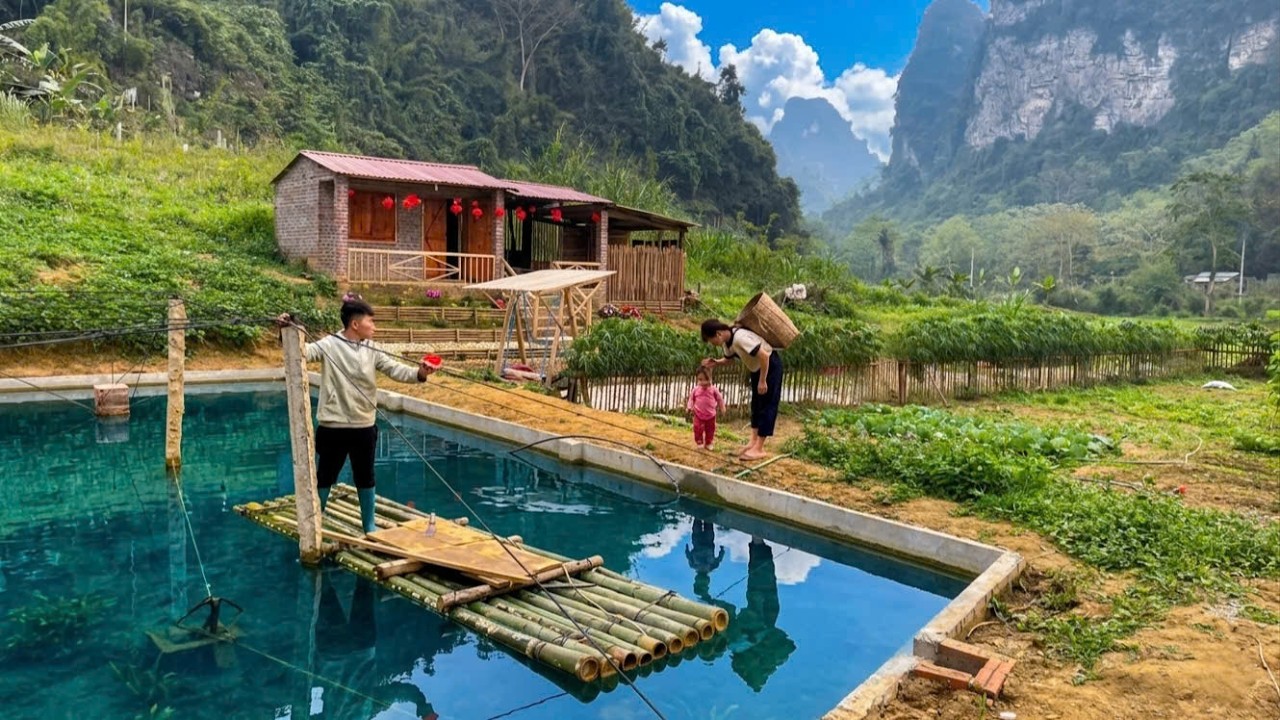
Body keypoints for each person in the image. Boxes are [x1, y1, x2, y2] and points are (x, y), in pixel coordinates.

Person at [277, 294, 437, 533]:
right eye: (370, 321)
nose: (375, 326)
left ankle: (369, 526)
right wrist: (286, 331)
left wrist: (420, 373)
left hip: (364, 425)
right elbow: (303, 352)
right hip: (333, 425)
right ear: (355, 324)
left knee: (366, 476)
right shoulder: (329, 344)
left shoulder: (373, 349)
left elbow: (396, 369)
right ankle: (315, 521)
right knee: (325, 476)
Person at [700, 319, 782, 460]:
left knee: (767, 405)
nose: (713, 344)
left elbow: (764, 355)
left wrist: (763, 380)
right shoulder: (728, 342)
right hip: (757, 369)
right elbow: (729, 358)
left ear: (718, 334)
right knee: (756, 405)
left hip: (770, 367)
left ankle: (759, 448)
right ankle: (752, 442)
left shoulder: (740, 338)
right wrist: (716, 362)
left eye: (712, 340)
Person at [685, 366, 726, 450]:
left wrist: (722, 408)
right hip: (698, 414)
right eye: (700, 380)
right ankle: (699, 442)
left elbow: (720, 399)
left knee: (710, 430)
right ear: (697, 379)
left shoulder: (713, 390)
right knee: (697, 428)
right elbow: (691, 399)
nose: (703, 382)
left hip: (711, 415)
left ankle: (708, 443)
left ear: (710, 378)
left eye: (705, 379)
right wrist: (689, 407)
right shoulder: (695, 390)